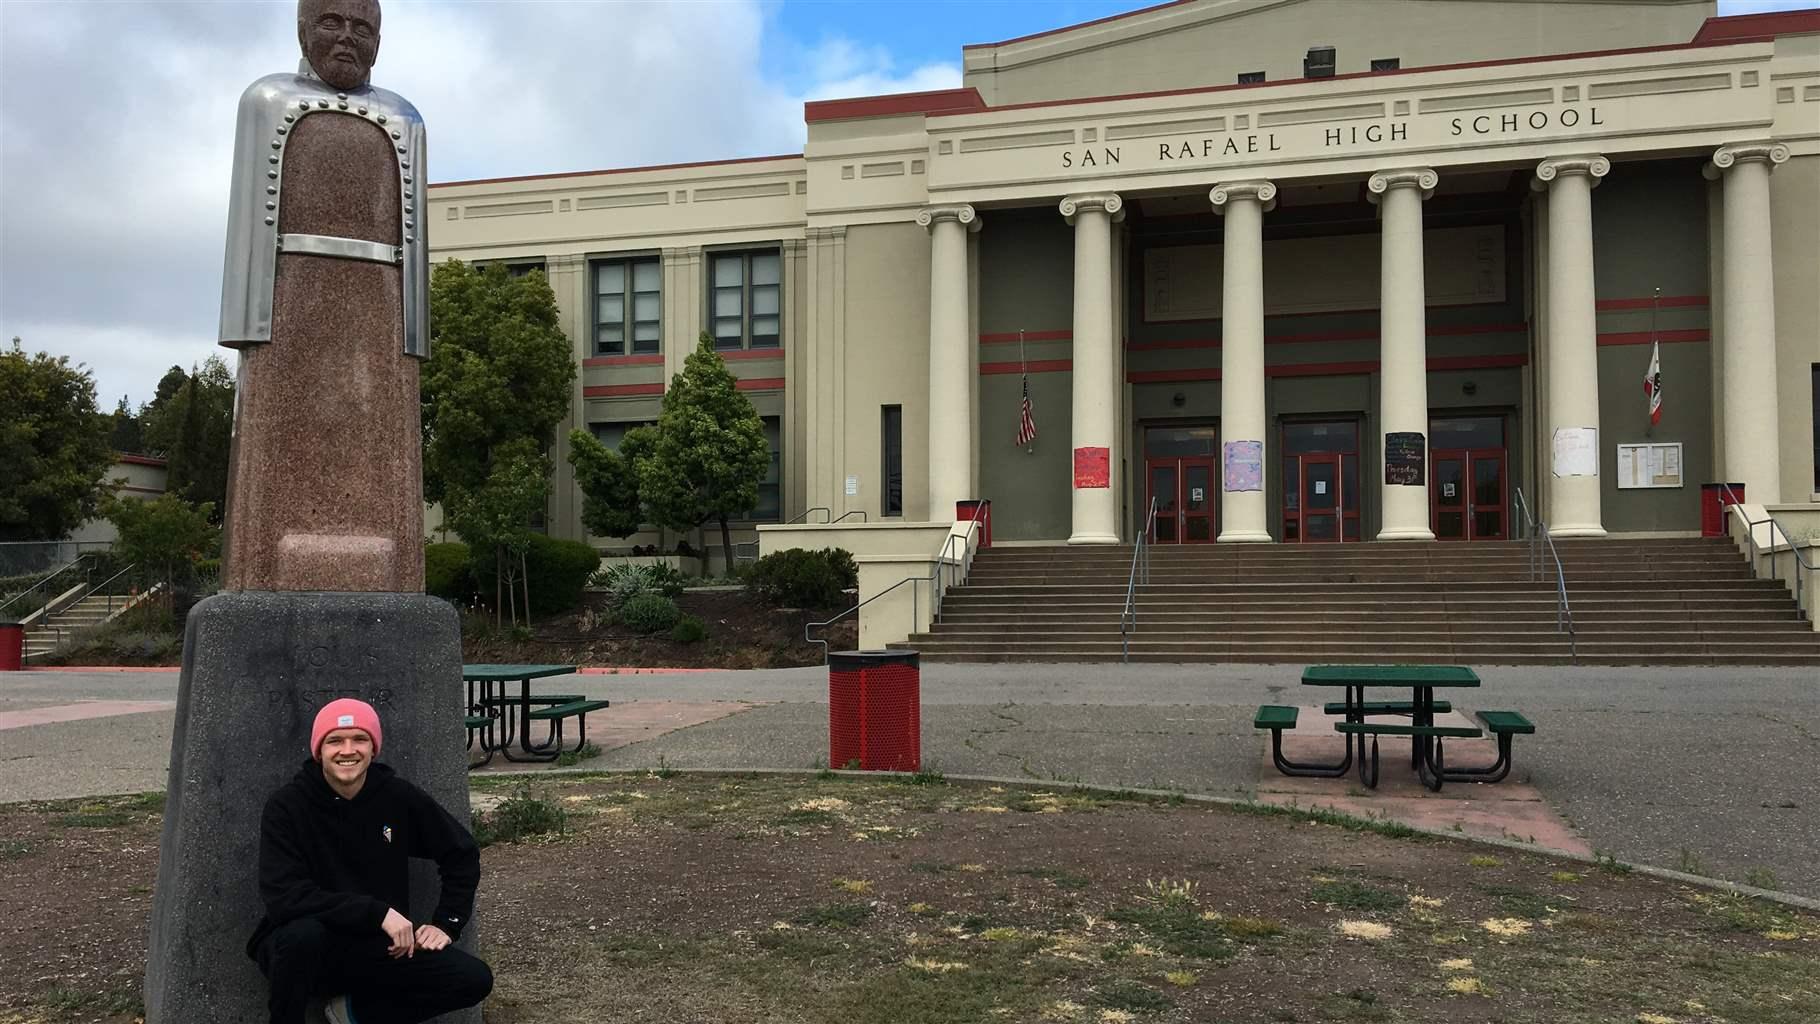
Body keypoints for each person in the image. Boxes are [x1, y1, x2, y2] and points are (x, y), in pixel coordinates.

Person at [247, 698, 492, 1024]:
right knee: (302, 936)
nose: (347, 750)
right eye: (335, 740)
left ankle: (353, 1014)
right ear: (319, 751)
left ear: (373, 748)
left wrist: (447, 922)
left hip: (381, 947)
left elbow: (461, 853)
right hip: (308, 950)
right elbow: (285, 897)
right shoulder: (287, 806)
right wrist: (378, 913)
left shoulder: (396, 796)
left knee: (473, 979)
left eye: (359, 739)